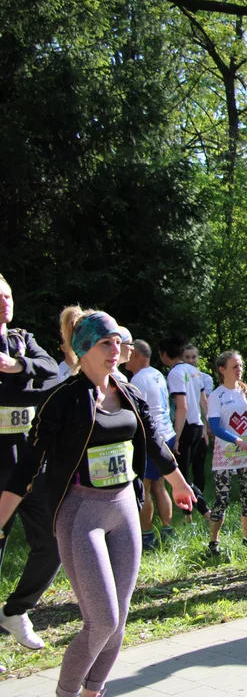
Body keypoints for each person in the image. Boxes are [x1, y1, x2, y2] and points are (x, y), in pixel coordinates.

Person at [0, 309, 195, 697]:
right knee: (101, 620)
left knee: (119, 621)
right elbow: (26, 470)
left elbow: (155, 445)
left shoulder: (129, 393)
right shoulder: (62, 401)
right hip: (80, 514)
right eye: (106, 343)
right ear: (84, 348)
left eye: (118, 343)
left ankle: (94, 691)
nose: (116, 349)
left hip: (124, 509)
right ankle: (67, 692)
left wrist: (179, 484)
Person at [0, 273, 59, 653]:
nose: (5, 302)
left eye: (7, 295)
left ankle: (16, 610)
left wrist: (18, 368)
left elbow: (51, 369)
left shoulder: (22, 339)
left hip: (30, 463)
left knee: (52, 543)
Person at [206, 351, 247, 557]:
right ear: (222, 370)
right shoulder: (216, 396)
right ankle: (213, 543)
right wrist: (237, 441)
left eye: (240, 365)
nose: (239, 369)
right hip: (225, 455)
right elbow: (214, 427)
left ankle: (246, 541)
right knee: (221, 498)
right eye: (235, 366)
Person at [128, 339, 177, 550]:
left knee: (144, 488)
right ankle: (167, 530)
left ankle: (146, 536)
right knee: (160, 486)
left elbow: (138, 414)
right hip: (167, 433)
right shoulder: (158, 374)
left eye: (130, 353)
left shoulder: (138, 380)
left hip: (152, 438)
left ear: (137, 355)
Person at [159, 337, 210, 519]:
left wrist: (177, 437)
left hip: (186, 427)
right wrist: (206, 426)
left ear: (164, 354)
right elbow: (204, 402)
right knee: (188, 472)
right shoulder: (195, 371)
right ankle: (189, 516)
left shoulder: (175, 373)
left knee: (182, 476)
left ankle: (206, 512)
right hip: (197, 425)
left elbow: (182, 407)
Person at [183, 345, 213, 493]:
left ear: (198, 358)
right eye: (187, 357)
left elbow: (205, 404)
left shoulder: (205, 378)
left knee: (199, 465)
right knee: (184, 465)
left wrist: (207, 428)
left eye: (193, 357)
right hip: (184, 425)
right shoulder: (177, 375)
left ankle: (199, 497)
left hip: (199, 425)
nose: (190, 360)